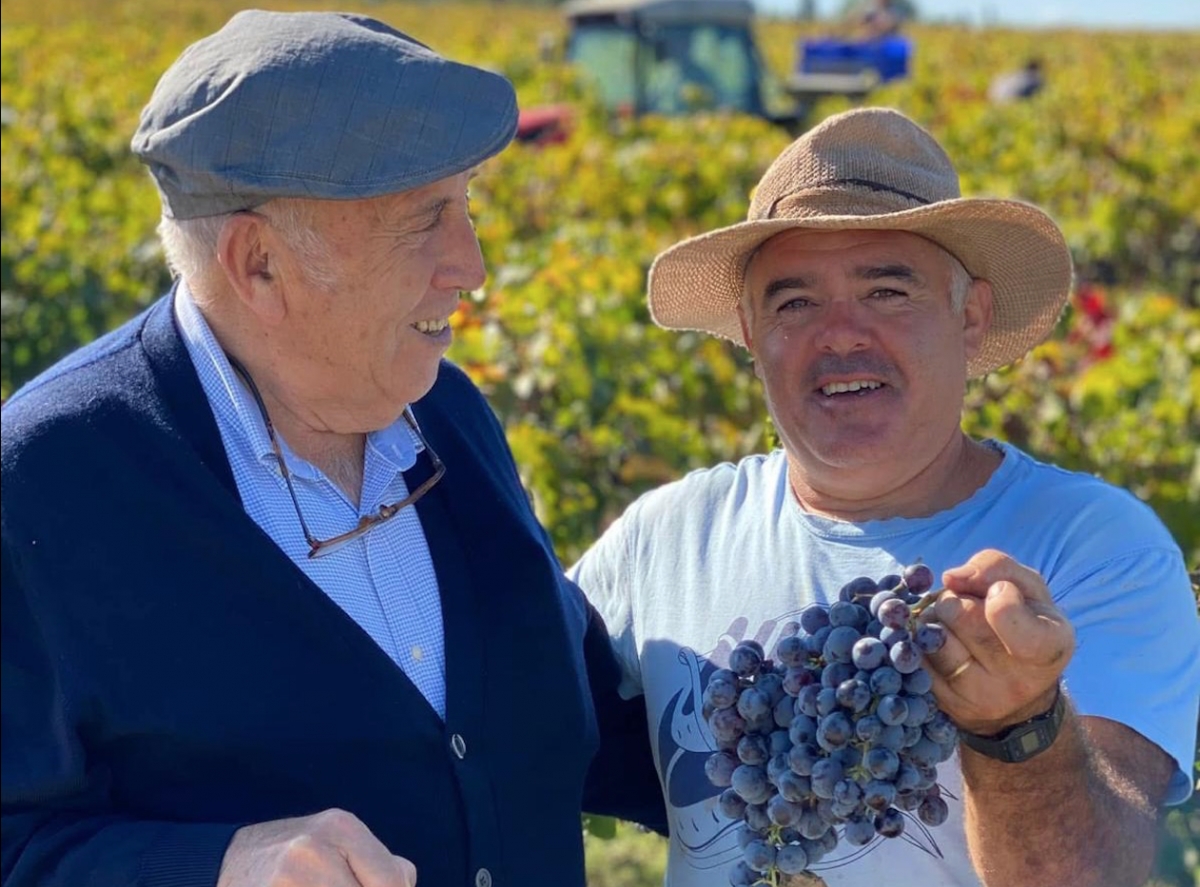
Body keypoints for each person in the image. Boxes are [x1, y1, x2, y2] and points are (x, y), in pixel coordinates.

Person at [0, 11, 663, 887]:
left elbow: (573, 716)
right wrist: (218, 866)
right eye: (425, 220)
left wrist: (815, 726)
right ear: (259, 263)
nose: (472, 264)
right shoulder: (48, 482)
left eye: (468, 206)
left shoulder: (448, 416)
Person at [569, 107, 1200, 887]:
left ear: (970, 318)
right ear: (747, 331)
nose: (839, 334)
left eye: (887, 290)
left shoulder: (1094, 547)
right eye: (793, 302)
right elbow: (492, 716)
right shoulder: (665, 538)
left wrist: (1020, 727)